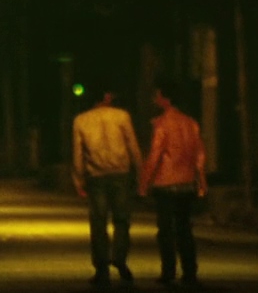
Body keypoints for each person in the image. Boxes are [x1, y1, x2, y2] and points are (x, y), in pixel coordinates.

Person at [72, 78, 143, 287]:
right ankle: (120, 259)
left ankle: (101, 268)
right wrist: (141, 175)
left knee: (98, 222)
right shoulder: (122, 116)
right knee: (122, 220)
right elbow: (133, 146)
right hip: (120, 173)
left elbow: (78, 153)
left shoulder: (81, 120)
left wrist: (78, 179)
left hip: (96, 176)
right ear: (106, 96)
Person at [139, 80, 207, 287]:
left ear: (165, 99)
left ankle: (168, 271)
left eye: (157, 95)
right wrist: (201, 181)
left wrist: (144, 182)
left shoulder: (161, 124)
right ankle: (190, 271)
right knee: (185, 228)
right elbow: (200, 155)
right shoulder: (191, 123)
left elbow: (155, 155)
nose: (155, 99)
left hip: (166, 182)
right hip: (187, 182)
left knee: (166, 229)